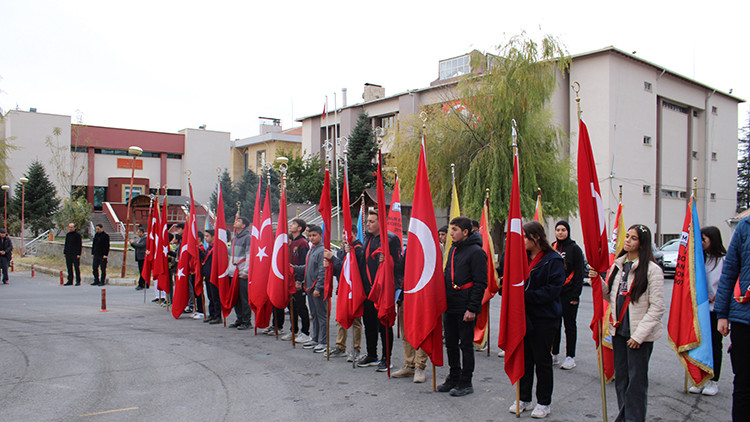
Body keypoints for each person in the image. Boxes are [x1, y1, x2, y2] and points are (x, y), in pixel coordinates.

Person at [592, 224, 664, 422]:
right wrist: (598, 282)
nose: (628, 240)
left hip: (638, 336)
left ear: (642, 244)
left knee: (636, 382)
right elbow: (611, 296)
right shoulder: (618, 265)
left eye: (633, 238)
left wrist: (638, 336)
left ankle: (634, 418)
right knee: (622, 380)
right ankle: (625, 416)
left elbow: (657, 308)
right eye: (628, 236)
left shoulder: (652, 270)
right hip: (619, 332)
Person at [507, 221, 563, 418]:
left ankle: (544, 402)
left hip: (544, 318)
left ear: (536, 237)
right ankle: (524, 398)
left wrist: (524, 295)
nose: (521, 241)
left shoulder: (553, 260)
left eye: (524, 237)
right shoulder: (520, 258)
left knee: (542, 360)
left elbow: (553, 290)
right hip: (523, 317)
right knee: (525, 359)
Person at [438, 216, 487, 397]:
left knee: (465, 345)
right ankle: (454, 376)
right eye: (451, 230)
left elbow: (480, 283)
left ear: (465, 232)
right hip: (450, 305)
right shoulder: (453, 250)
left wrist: (472, 308)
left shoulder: (476, 252)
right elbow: (447, 273)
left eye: (455, 230)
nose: (451, 234)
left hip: (465, 307)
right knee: (450, 343)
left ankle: (466, 381)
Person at [352, 209, 402, 372]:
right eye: (367, 222)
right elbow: (363, 260)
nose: (368, 224)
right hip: (367, 289)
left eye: (372, 222)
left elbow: (399, 264)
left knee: (384, 324)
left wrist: (389, 260)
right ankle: (372, 354)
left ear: (380, 223)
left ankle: (386, 358)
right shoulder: (367, 238)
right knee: (369, 324)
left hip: (382, 289)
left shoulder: (391, 239)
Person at [715, 216, 750, 421]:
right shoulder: (745, 227)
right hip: (744, 317)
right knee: (745, 381)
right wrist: (722, 313)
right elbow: (729, 271)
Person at [688, 225, 726, 396]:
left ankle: (713, 380)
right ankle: (699, 379)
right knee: (699, 344)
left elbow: (726, 286)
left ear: (713, 240)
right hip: (699, 310)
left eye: (704, 240)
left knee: (714, 346)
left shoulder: (723, 260)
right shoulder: (698, 259)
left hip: (715, 310)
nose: (701, 243)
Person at [324, 225, 363, 361]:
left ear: (354, 234)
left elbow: (349, 269)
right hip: (343, 288)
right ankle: (340, 346)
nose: (345, 237)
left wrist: (334, 259)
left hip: (354, 289)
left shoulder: (358, 250)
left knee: (355, 319)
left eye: (347, 234)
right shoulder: (343, 249)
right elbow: (339, 271)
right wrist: (330, 265)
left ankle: (356, 349)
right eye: (343, 234)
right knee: (341, 317)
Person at [551, 220, 585, 370]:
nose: (560, 232)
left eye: (563, 230)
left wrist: (575, 295)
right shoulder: (553, 247)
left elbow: (579, 273)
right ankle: (554, 354)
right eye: (558, 230)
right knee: (554, 325)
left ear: (568, 231)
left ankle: (570, 356)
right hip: (554, 294)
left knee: (569, 325)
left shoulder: (575, 249)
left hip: (569, 293)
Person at [293, 225, 327, 353]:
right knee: (314, 315)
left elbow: (322, 272)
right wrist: (294, 267)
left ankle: (323, 341)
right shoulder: (311, 250)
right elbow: (306, 268)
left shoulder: (322, 251)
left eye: (314, 235)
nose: (312, 238)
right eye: (310, 236)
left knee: (321, 315)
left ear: (320, 235)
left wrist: (318, 288)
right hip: (309, 288)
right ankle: (316, 338)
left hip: (317, 289)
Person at [281, 218, 312, 343]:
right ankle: (293, 330)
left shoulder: (302, 243)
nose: (291, 225)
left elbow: (304, 263)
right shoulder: (290, 242)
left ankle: (305, 332)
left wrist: (300, 280)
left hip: (297, 280)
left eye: (293, 224)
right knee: (291, 306)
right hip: (289, 279)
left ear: (299, 228)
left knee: (300, 306)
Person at [229, 217, 252, 330]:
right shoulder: (234, 238)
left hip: (242, 271)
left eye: (238, 221)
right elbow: (231, 254)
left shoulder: (248, 238)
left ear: (243, 226)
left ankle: (247, 321)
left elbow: (249, 255)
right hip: (234, 272)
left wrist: (245, 271)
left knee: (244, 298)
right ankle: (239, 318)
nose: (235, 222)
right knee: (236, 297)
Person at [202, 229, 222, 324]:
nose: (205, 238)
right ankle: (212, 314)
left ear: (213, 236)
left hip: (214, 275)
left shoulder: (216, 248)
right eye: (205, 236)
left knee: (215, 296)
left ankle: (218, 316)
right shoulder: (209, 247)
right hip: (208, 275)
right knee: (210, 296)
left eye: (207, 236)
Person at [131, 226, 148, 291]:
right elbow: (137, 247)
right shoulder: (140, 239)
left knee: (142, 271)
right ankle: (143, 283)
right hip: (139, 257)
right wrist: (132, 244)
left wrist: (134, 243)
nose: (137, 234)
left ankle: (141, 284)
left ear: (141, 232)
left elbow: (141, 245)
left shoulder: (145, 238)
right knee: (141, 271)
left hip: (143, 257)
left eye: (138, 232)